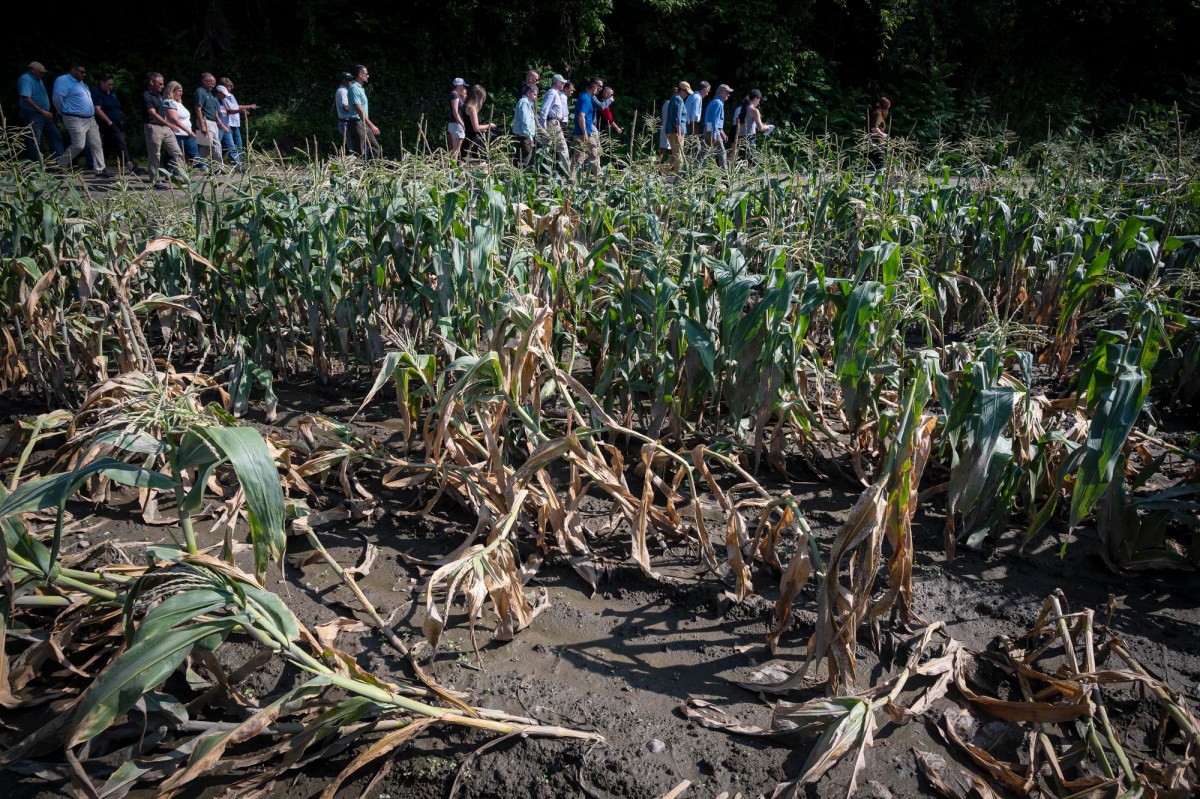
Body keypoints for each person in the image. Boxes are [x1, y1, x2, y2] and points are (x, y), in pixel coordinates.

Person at [52, 63, 107, 177]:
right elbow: (57, 98)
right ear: (73, 70)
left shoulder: (81, 84)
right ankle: (60, 166)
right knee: (79, 145)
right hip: (74, 118)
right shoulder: (63, 80)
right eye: (82, 72)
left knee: (96, 144)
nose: (84, 74)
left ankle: (100, 170)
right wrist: (63, 112)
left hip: (90, 118)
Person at [141, 72, 185, 188]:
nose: (162, 86)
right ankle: (155, 181)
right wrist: (169, 124)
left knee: (177, 152)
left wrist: (167, 125)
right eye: (160, 83)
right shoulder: (146, 95)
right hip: (153, 127)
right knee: (155, 155)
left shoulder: (160, 97)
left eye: (163, 83)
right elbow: (152, 113)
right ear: (151, 82)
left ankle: (181, 177)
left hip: (165, 128)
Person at [17, 61, 64, 163]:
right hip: (33, 114)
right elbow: (26, 98)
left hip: (44, 113)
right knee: (34, 141)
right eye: (41, 72)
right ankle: (37, 168)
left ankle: (61, 164)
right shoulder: (26, 79)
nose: (43, 74)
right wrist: (41, 111)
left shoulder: (38, 79)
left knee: (56, 136)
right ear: (33, 70)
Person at [91, 74, 137, 174]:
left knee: (109, 145)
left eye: (112, 84)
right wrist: (109, 121)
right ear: (102, 82)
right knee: (120, 142)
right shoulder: (97, 93)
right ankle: (130, 165)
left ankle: (97, 165)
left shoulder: (112, 93)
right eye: (109, 84)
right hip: (107, 123)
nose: (111, 86)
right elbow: (97, 109)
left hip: (116, 122)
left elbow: (116, 107)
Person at [217, 78, 256, 168]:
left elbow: (236, 106)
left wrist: (248, 107)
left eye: (230, 86)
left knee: (239, 144)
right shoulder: (222, 98)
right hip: (228, 123)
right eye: (227, 86)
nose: (229, 88)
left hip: (236, 123)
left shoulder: (231, 96)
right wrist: (241, 111)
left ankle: (240, 163)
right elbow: (230, 110)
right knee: (230, 145)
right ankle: (236, 165)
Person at [163, 81, 200, 170]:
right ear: (172, 91)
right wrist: (188, 131)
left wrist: (188, 131)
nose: (181, 93)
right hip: (177, 133)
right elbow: (174, 119)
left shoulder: (179, 103)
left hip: (187, 133)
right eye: (179, 91)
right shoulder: (168, 102)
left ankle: (204, 169)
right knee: (174, 155)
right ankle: (169, 174)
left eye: (181, 91)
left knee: (194, 152)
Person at [538, 73, 570, 176]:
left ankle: (542, 172)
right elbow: (544, 110)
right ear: (557, 83)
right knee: (562, 147)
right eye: (562, 83)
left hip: (554, 122)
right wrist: (543, 127)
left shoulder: (556, 93)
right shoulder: (552, 93)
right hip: (552, 123)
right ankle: (569, 173)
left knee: (545, 149)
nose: (564, 85)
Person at [347, 64, 381, 159]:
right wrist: (372, 126)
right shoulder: (354, 88)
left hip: (363, 123)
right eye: (366, 74)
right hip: (357, 123)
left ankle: (372, 172)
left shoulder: (360, 88)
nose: (368, 76)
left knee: (375, 148)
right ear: (360, 75)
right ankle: (358, 173)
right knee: (359, 153)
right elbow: (359, 110)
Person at [193, 73, 228, 165]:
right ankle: (220, 167)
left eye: (214, 83)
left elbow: (214, 112)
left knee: (206, 147)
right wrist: (202, 125)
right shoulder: (200, 92)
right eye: (211, 82)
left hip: (212, 122)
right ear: (204, 81)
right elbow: (198, 109)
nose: (213, 85)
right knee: (216, 144)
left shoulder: (209, 93)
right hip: (205, 121)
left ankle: (195, 163)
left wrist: (220, 124)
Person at [571, 77, 600, 176]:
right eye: (598, 88)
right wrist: (585, 133)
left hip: (582, 132)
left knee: (586, 156)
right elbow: (581, 115)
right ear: (594, 88)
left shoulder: (584, 96)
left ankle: (598, 178)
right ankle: (599, 178)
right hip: (584, 133)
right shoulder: (586, 98)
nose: (598, 90)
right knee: (588, 155)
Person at [460, 84, 497, 160]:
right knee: (479, 168)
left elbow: (469, 126)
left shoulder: (466, 106)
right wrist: (490, 125)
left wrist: (483, 129)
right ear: (479, 97)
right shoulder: (472, 108)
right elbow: (476, 128)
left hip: (468, 139)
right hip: (474, 141)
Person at [701, 83, 733, 169]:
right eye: (727, 92)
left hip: (708, 129)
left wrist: (721, 132)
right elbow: (714, 120)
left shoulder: (714, 102)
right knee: (722, 152)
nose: (728, 95)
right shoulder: (718, 103)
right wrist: (714, 135)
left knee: (703, 152)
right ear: (721, 92)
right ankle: (725, 176)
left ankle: (695, 169)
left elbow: (715, 121)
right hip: (712, 130)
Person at [735, 89, 771, 163]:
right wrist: (768, 127)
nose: (759, 102)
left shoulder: (743, 109)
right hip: (749, 139)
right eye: (759, 99)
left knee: (742, 163)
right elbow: (760, 128)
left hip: (740, 139)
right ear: (756, 98)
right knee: (755, 163)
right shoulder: (754, 110)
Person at [664, 82, 690, 174]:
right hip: (675, 132)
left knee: (674, 155)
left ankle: (660, 171)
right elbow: (677, 118)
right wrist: (679, 133)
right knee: (679, 157)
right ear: (682, 90)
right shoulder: (679, 100)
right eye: (686, 92)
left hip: (671, 131)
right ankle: (679, 179)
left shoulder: (673, 99)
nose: (687, 95)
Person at [512, 82, 537, 168]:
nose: (535, 97)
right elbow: (525, 121)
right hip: (524, 136)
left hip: (524, 135)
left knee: (526, 159)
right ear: (528, 93)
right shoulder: (524, 102)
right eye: (534, 94)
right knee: (524, 161)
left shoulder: (527, 103)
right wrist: (529, 136)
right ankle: (518, 178)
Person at [446, 77, 468, 159]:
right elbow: (455, 112)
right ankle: (453, 171)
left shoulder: (455, 95)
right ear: (458, 86)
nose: (464, 88)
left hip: (454, 125)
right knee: (456, 152)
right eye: (463, 86)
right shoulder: (454, 95)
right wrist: (462, 124)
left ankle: (450, 169)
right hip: (457, 125)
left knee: (454, 151)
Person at [334, 72, 354, 149]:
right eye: (348, 80)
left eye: (350, 80)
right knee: (353, 148)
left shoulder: (343, 90)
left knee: (353, 146)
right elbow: (345, 107)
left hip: (345, 122)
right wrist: (357, 109)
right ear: (343, 80)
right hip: (346, 123)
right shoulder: (343, 91)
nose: (350, 82)